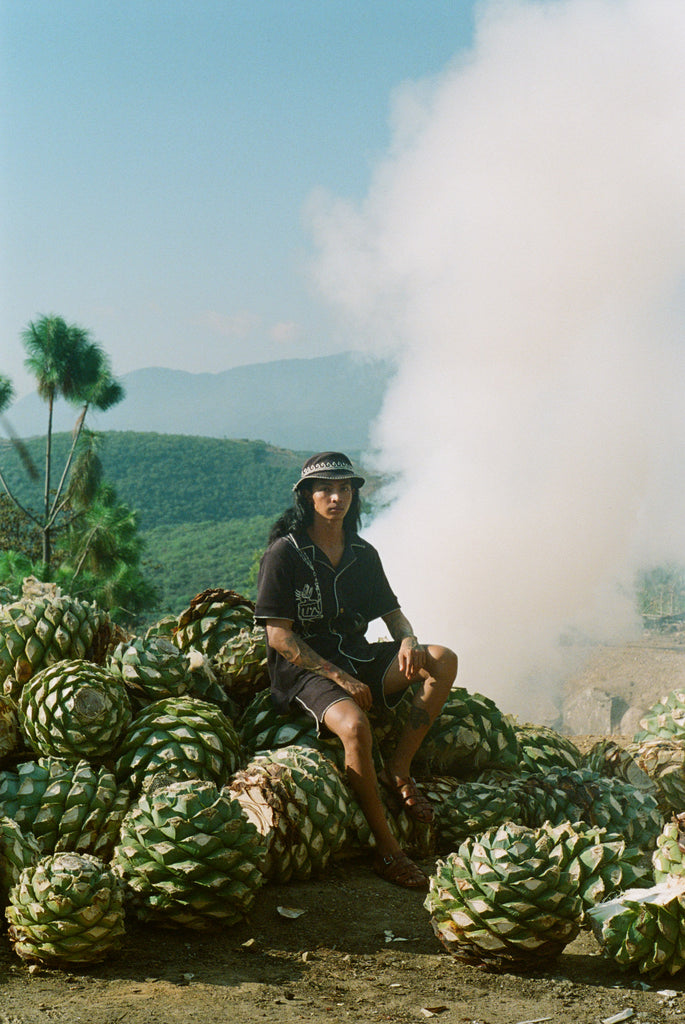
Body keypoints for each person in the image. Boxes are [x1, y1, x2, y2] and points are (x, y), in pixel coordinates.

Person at [255, 451, 458, 889]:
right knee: (354, 726)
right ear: (306, 496)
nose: (336, 497)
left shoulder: (363, 554)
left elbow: (394, 616)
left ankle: (398, 767)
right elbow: (280, 638)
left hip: (357, 653)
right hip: (304, 670)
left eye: (345, 488)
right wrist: (340, 678)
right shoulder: (284, 555)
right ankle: (387, 850)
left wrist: (407, 640)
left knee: (442, 659)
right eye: (326, 489)